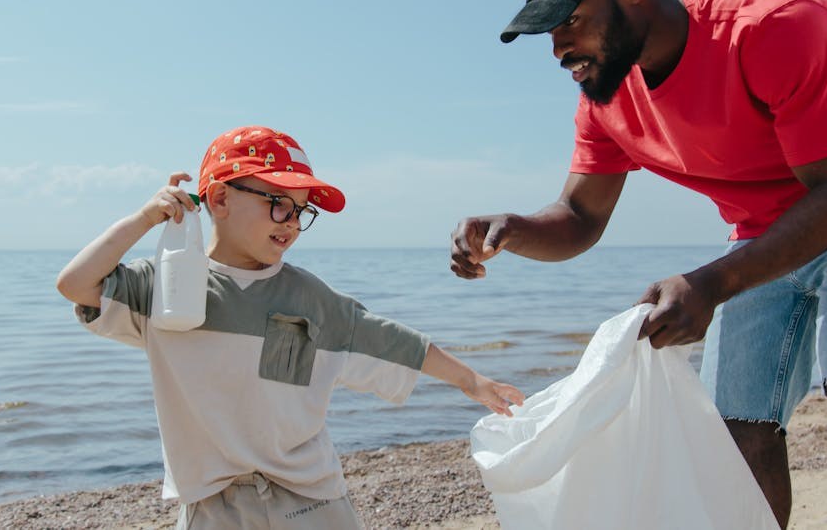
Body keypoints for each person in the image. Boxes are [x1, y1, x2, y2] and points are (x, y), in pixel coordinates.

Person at [450, 0, 827, 529]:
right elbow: (579, 214)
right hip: (761, 231)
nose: (559, 48)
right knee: (737, 433)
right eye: (548, 30)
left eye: (571, 20)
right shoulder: (606, 96)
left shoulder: (775, 28)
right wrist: (514, 228)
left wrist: (712, 282)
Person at [57, 125, 524, 530]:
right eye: (280, 204)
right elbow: (75, 283)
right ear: (219, 198)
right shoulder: (167, 284)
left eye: (302, 211)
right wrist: (145, 220)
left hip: (311, 499)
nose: (294, 223)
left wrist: (471, 380)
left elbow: (392, 341)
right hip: (211, 506)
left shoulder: (311, 299)